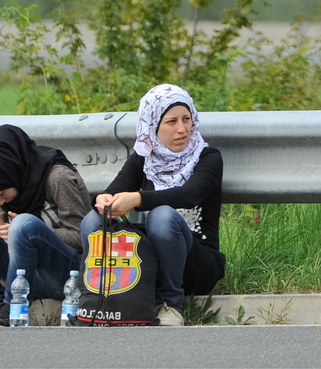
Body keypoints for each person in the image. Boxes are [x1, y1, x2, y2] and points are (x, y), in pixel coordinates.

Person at [80, 84, 225, 326]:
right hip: (152, 262)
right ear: (153, 125)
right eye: (171, 122)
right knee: (94, 220)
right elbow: (115, 188)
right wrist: (103, 199)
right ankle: (99, 298)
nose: (182, 129)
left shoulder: (208, 157)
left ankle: (171, 305)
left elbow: (189, 195)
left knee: (162, 216)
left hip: (198, 264)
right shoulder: (143, 157)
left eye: (187, 119)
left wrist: (138, 199)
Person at [0, 124, 91, 328]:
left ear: (12, 171)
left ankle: (10, 304)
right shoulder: (5, 186)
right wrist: (1, 229)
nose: (1, 202)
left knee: (23, 224)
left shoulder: (58, 178)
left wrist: (27, 230)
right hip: (22, 275)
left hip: (64, 275)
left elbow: (82, 238)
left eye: (2, 195)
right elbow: (12, 232)